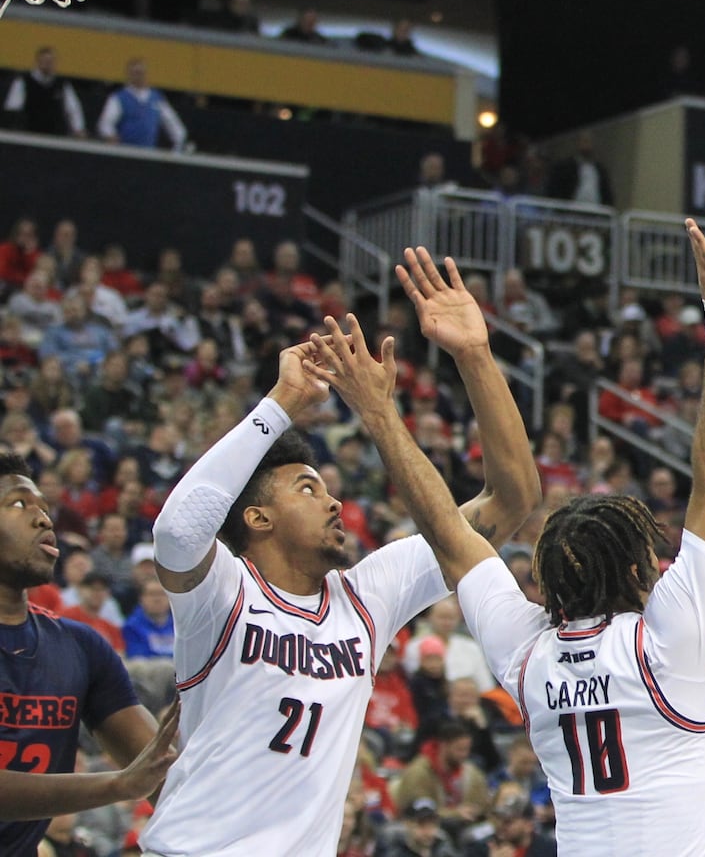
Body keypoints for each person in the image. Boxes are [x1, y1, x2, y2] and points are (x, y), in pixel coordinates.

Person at [306, 221, 705, 856]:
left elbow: (446, 533)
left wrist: (383, 413)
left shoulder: (530, 658)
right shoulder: (665, 643)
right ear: (635, 574)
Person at [139, 302, 540, 855]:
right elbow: (179, 532)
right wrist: (283, 404)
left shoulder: (368, 596)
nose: (334, 501)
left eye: (328, 489)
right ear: (257, 517)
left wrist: (473, 356)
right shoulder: (223, 592)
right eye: (308, 489)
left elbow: (512, 499)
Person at [0, 452, 180, 857]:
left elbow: (164, 776)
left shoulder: (80, 647)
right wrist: (117, 785)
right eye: (17, 503)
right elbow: (131, 779)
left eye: (45, 509)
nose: (44, 520)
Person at [96, 58, 188, 151]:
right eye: (135, 73)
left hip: (148, 153)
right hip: (125, 152)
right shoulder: (119, 98)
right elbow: (105, 123)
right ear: (129, 74)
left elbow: (174, 125)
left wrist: (177, 148)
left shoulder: (156, 99)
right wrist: (111, 136)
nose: (139, 76)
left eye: (141, 73)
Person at [2, 46, 87, 137]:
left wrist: (78, 129)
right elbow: (13, 107)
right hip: (28, 132)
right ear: (38, 61)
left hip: (54, 134)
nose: (48, 64)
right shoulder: (24, 81)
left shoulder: (62, 84)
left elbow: (73, 108)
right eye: (45, 61)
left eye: (51, 61)